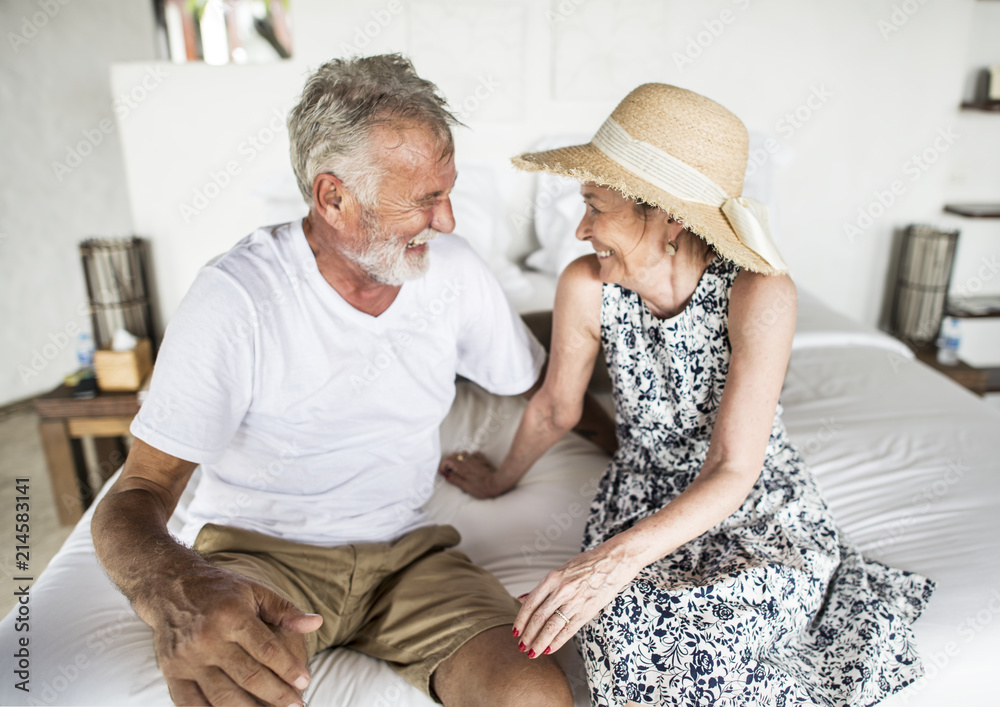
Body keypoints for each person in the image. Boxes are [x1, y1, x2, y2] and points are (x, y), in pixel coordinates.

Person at [92, 54, 574, 707]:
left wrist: (601, 337)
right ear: (333, 197)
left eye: (449, 191)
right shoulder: (236, 297)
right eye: (426, 199)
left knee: (532, 694)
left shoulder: (451, 271)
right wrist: (168, 580)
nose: (449, 220)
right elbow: (141, 488)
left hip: (408, 554)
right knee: (231, 693)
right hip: (263, 555)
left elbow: (543, 376)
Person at [439, 84, 935, 706]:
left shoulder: (760, 293)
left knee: (700, 633)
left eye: (595, 207)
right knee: (621, 631)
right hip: (640, 499)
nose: (581, 229)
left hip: (750, 508)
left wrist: (612, 563)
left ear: (666, 214)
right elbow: (556, 407)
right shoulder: (586, 285)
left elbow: (733, 467)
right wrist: (499, 480)